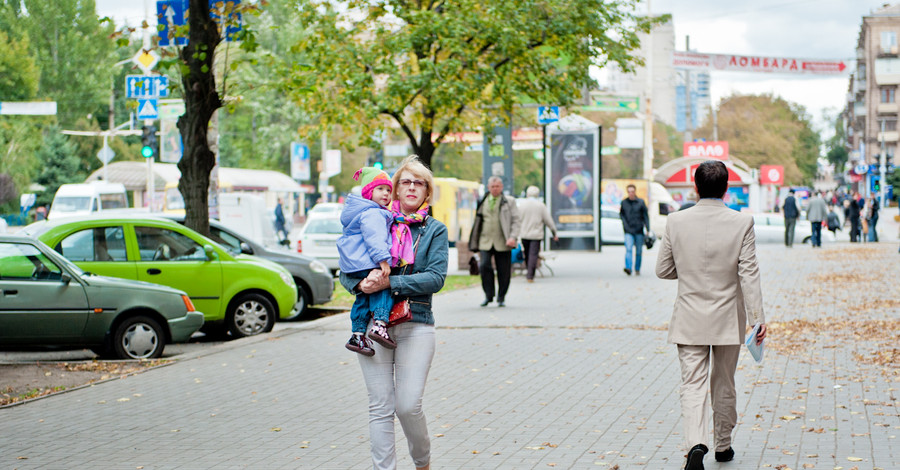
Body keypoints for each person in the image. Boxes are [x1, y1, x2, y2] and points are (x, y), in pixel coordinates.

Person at [339, 155, 448, 470]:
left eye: (419, 183)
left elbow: (435, 278)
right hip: (374, 324)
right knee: (380, 407)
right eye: (406, 181)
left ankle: (422, 461)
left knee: (408, 405)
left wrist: (390, 281)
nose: (412, 187)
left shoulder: (433, 231)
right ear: (395, 188)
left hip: (416, 323)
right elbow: (346, 268)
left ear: (427, 191)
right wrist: (363, 283)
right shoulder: (373, 219)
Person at [655, 160, 766, 470]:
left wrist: (689, 273)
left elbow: (662, 269)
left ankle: (695, 444)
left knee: (692, 383)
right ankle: (723, 446)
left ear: (695, 188)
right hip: (728, 317)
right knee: (724, 381)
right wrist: (758, 317)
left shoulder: (675, 221)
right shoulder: (742, 223)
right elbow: (749, 274)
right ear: (727, 189)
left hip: (689, 316)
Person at [337, 167, 397, 356]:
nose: (386, 194)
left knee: (362, 299)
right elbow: (375, 238)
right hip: (369, 261)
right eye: (380, 189)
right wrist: (384, 261)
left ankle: (357, 335)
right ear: (369, 192)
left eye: (388, 190)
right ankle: (380, 324)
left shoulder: (359, 212)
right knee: (382, 288)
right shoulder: (374, 213)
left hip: (355, 264)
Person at [469, 176, 520, 307]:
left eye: (497, 186)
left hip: (503, 241)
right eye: (492, 186)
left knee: (504, 270)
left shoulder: (508, 201)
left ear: (502, 187)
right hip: (485, 240)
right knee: (484, 266)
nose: (495, 189)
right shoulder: (483, 200)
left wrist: (512, 237)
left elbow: (516, 221)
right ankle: (488, 295)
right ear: (488, 187)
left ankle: (501, 297)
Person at [517, 186, 559, 282]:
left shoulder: (522, 205)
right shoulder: (540, 206)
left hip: (524, 234)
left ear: (527, 194)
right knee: (533, 254)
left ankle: (529, 272)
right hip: (536, 235)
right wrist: (554, 232)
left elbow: (517, 220)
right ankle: (530, 275)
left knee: (527, 254)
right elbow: (548, 221)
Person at [620, 184, 650, 275]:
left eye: (632, 191)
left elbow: (645, 216)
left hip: (639, 230)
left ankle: (637, 269)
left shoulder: (640, 202)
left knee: (639, 251)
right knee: (628, 249)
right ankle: (628, 268)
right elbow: (622, 215)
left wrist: (648, 228)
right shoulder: (624, 203)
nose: (631, 193)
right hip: (628, 230)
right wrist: (625, 226)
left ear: (635, 192)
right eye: (629, 192)